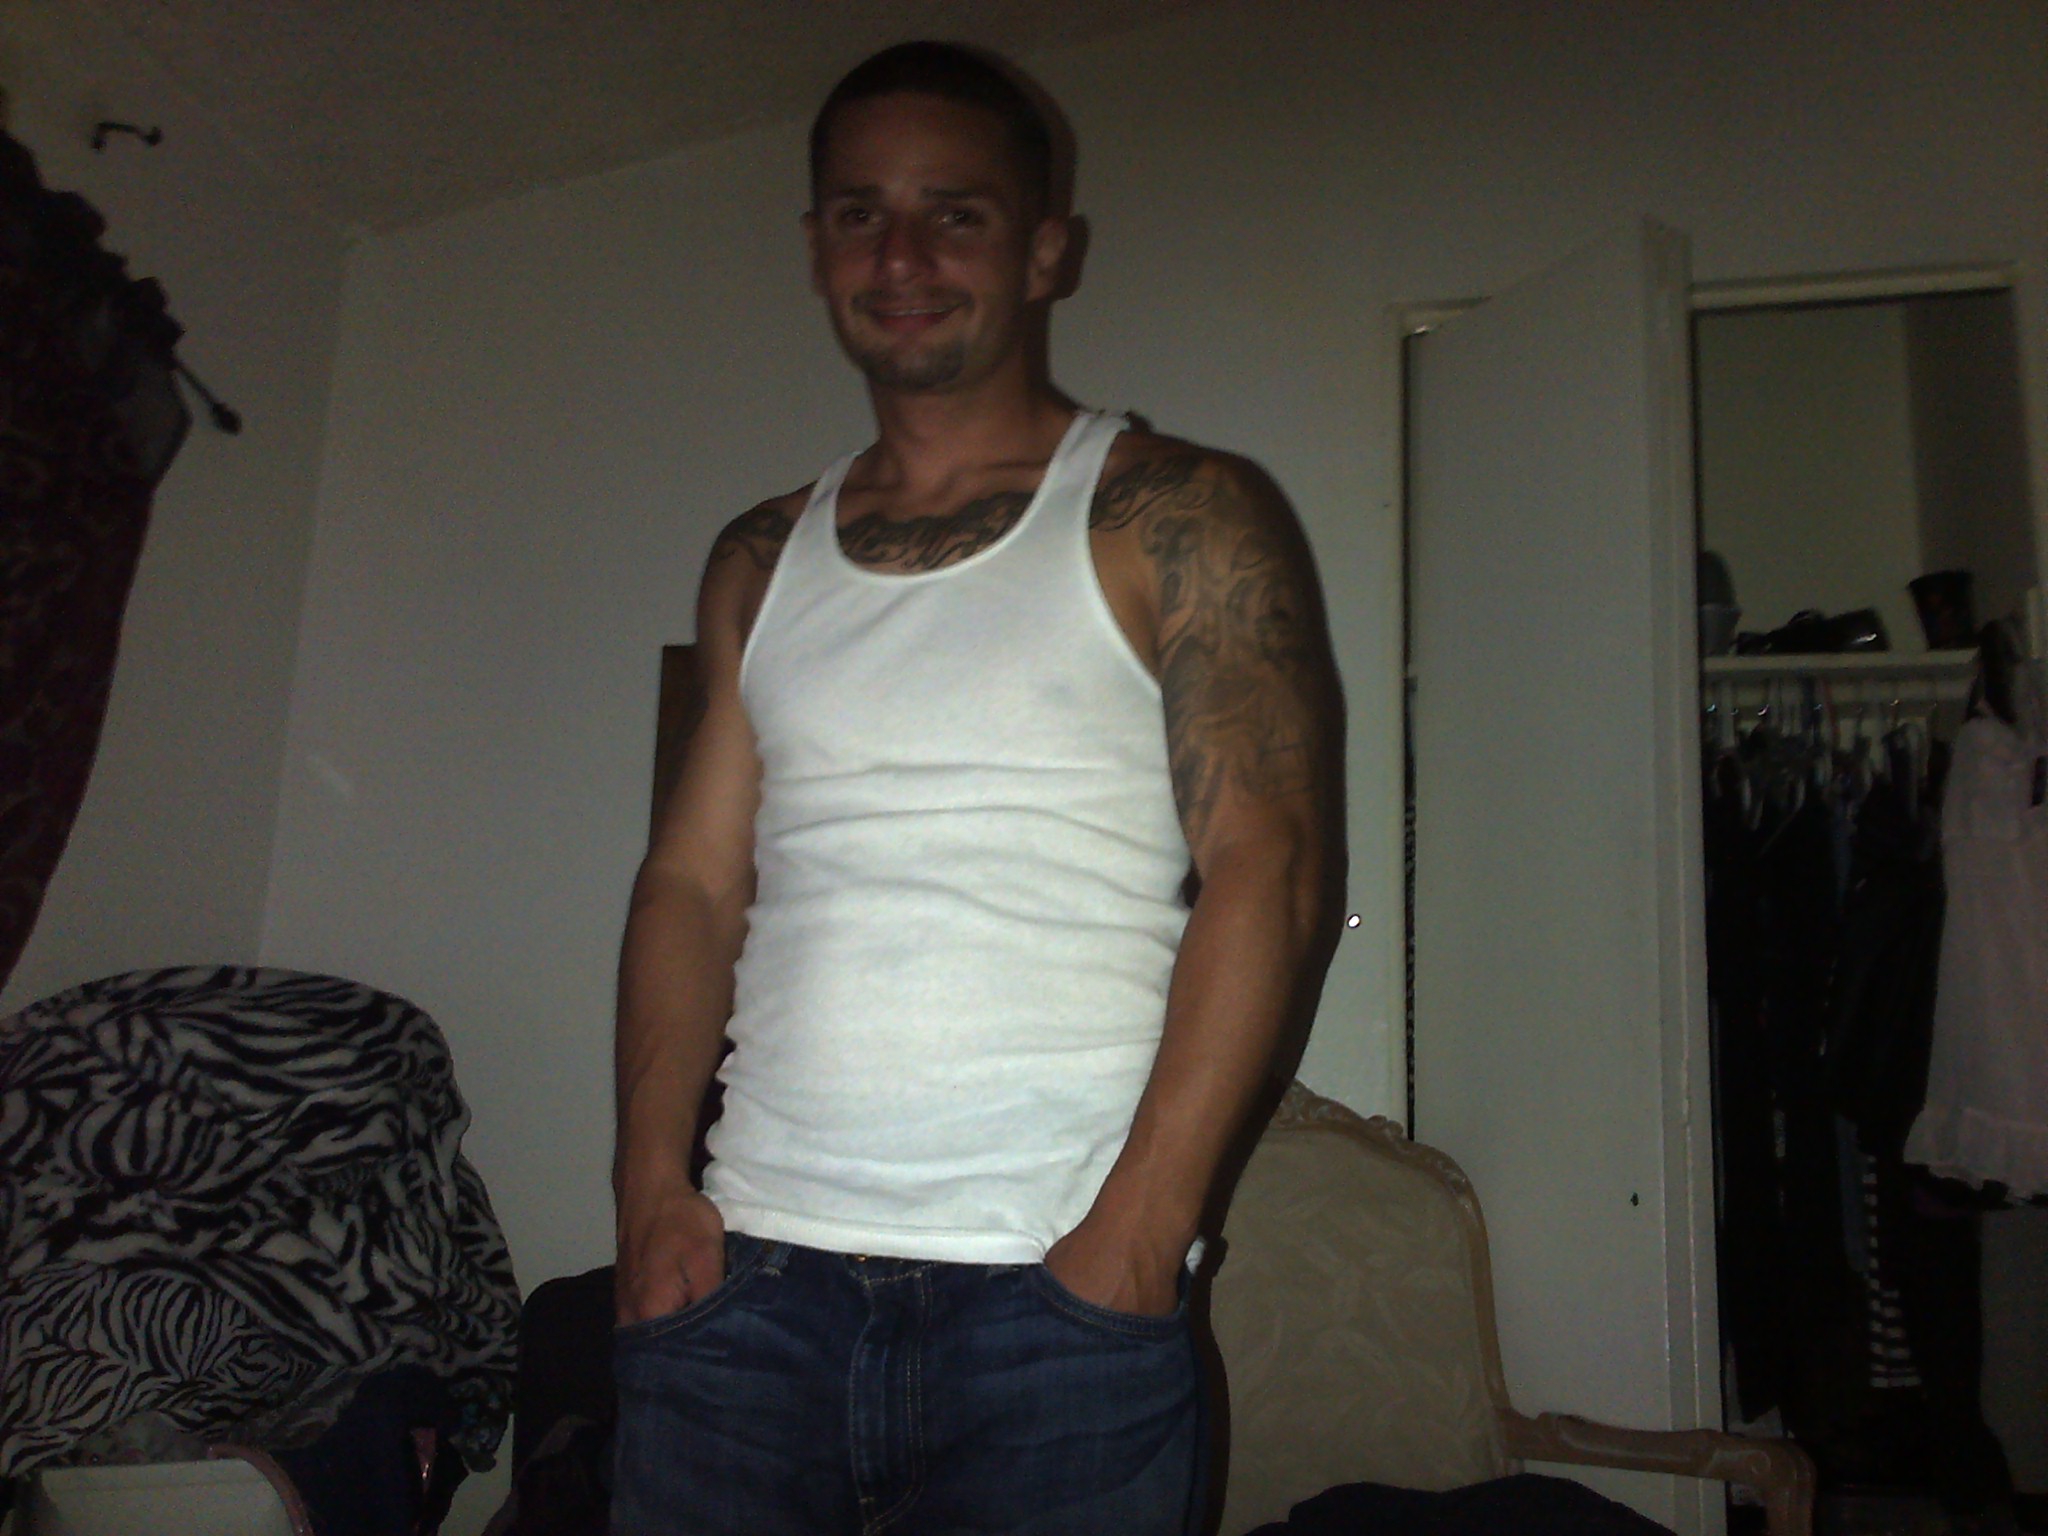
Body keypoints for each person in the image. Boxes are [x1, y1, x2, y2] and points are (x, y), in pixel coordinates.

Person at [610, 40, 1344, 1536]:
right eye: (859, 214)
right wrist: (644, 1184)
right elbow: (689, 882)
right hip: (745, 1280)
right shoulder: (758, 555)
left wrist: (1141, 1233)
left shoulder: (1176, 512)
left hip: (1056, 1299)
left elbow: (1270, 869)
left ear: (1046, 250)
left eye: (955, 213)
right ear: (815, 246)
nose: (900, 256)